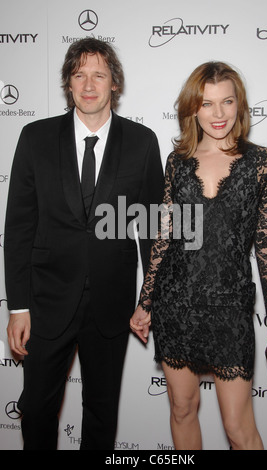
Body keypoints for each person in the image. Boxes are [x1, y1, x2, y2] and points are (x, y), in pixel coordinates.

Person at [4, 37, 164, 450]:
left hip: (111, 304)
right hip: (45, 300)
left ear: (115, 84)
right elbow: (19, 227)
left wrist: (148, 301)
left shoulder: (143, 142)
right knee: (37, 408)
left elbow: (150, 229)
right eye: (79, 75)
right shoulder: (35, 137)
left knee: (101, 411)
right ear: (69, 83)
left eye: (99, 75)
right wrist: (17, 306)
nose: (88, 84)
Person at [130, 61, 267, 450]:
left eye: (227, 102)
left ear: (240, 106)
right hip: (176, 304)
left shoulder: (264, 164)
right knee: (182, 409)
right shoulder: (178, 163)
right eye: (206, 104)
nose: (218, 114)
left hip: (228, 308)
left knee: (239, 429)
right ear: (193, 108)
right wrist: (145, 301)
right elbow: (164, 238)